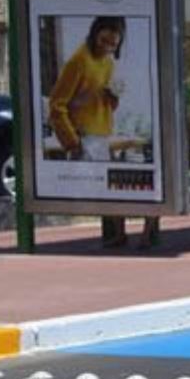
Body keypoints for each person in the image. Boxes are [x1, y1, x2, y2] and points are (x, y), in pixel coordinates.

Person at [48, 16, 134, 247]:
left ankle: (117, 232)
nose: (106, 47)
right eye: (104, 40)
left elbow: (106, 104)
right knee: (102, 189)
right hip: (84, 136)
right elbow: (57, 105)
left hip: (102, 134)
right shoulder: (78, 61)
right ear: (95, 33)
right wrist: (71, 142)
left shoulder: (108, 63)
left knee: (108, 188)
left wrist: (112, 98)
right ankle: (117, 232)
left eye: (113, 44)